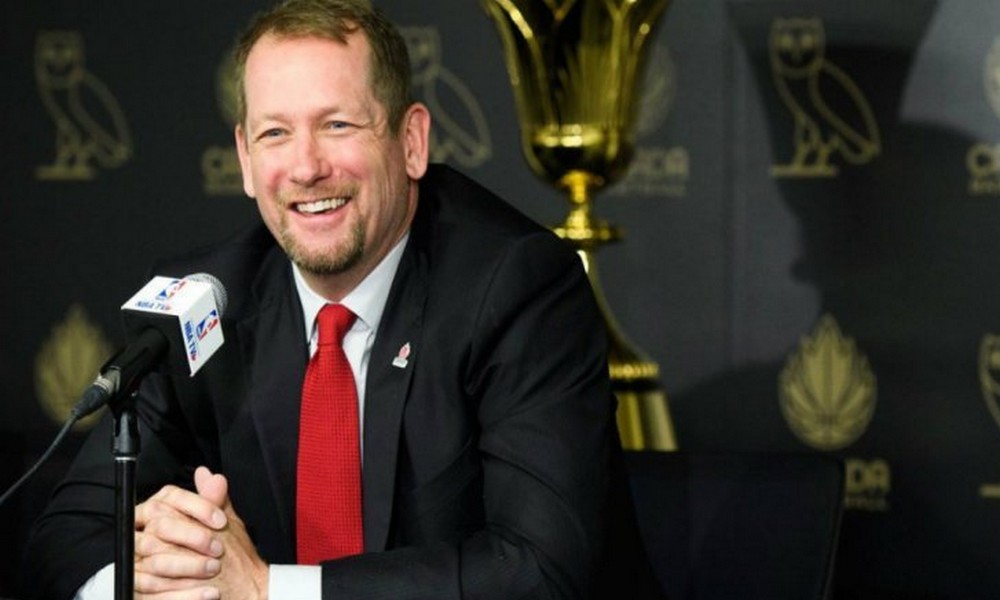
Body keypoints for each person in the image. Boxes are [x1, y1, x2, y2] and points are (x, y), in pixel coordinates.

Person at [23, 1, 659, 598]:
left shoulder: (518, 286)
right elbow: (65, 538)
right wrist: (155, 577)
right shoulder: (204, 305)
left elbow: (537, 568)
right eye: (275, 133)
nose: (306, 167)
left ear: (411, 141)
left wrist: (270, 589)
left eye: (337, 125)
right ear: (245, 158)